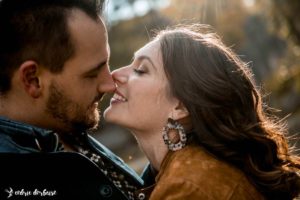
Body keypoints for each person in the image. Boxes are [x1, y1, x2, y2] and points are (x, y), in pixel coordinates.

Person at [104, 24, 300, 200]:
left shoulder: (188, 188)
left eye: (141, 70)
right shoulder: (196, 171)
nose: (115, 74)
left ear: (180, 106)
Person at [0, 0, 150, 199]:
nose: (110, 84)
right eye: (91, 73)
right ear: (32, 79)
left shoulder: (65, 125)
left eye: (106, 64)